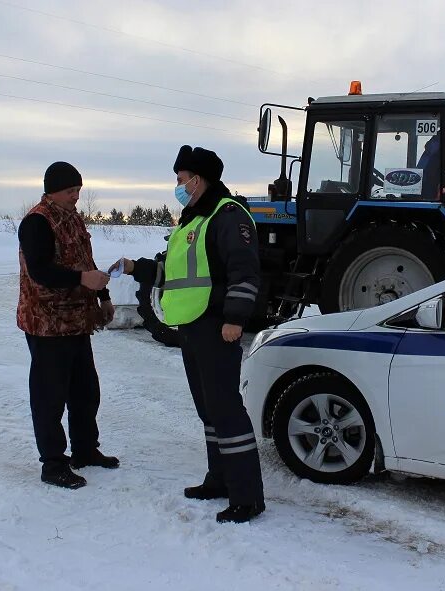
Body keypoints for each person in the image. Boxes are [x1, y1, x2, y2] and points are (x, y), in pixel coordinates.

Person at [111, 146, 265, 523]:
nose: (177, 186)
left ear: (199, 179)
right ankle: (219, 480)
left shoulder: (227, 216)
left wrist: (235, 319)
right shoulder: (191, 220)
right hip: (191, 326)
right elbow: (173, 273)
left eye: (181, 180)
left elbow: (244, 273)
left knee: (227, 410)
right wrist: (135, 267)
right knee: (208, 411)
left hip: (216, 326)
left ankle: (248, 496)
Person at [17, 161, 119, 490]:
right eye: (70, 191)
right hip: (46, 323)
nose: (76, 196)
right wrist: (80, 279)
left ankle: (86, 450)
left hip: (77, 320)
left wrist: (102, 294)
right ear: (53, 191)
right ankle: (53, 463)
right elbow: (40, 272)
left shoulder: (73, 218)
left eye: (79, 190)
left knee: (85, 391)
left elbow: (85, 262)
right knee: (50, 396)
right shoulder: (37, 221)